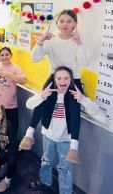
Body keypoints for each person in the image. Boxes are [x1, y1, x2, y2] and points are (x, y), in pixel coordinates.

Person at [20, 9, 88, 151]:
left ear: (75, 24)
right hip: (54, 78)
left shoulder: (77, 42)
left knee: (75, 112)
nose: (65, 24)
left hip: (73, 80)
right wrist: (40, 41)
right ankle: (29, 133)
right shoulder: (51, 41)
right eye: (62, 21)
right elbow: (34, 58)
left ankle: (73, 147)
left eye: (69, 21)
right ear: (57, 23)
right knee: (42, 101)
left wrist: (80, 43)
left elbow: (85, 62)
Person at [25, 66, 94, 193]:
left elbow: (76, 119)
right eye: (59, 78)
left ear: (71, 80)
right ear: (54, 79)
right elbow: (31, 106)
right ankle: (45, 181)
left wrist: (74, 144)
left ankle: (65, 192)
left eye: (66, 78)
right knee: (45, 161)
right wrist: (41, 95)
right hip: (48, 135)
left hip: (65, 139)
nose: (63, 81)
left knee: (65, 168)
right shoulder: (49, 93)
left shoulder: (74, 96)